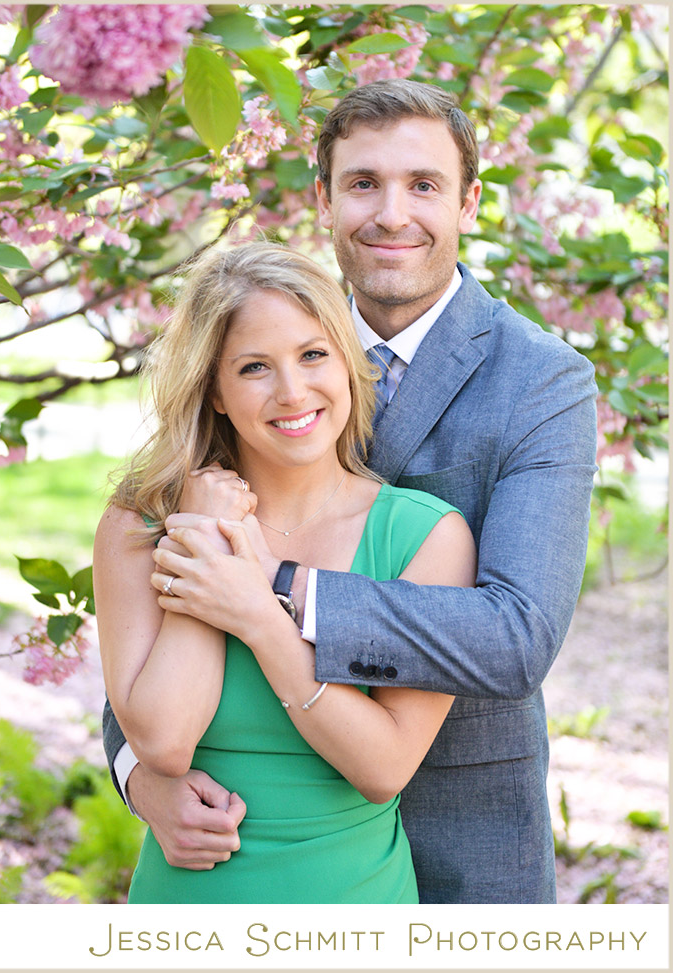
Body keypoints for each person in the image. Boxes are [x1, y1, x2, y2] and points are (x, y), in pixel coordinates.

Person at [102, 79, 598, 903]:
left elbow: (516, 636)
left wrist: (268, 585)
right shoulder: (273, 344)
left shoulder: (542, 382)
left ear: (470, 200)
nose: (392, 214)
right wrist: (139, 775)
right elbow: (152, 599)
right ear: (323, 197)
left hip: (461, 836)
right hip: (232, 838)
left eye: (425, 185)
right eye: (363, 183)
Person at [96, 241, 476, 902]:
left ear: (346, 361)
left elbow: (384, 766)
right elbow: (161, 741)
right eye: (253, 368)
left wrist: (254, 611)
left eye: (312, 354)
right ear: (213, 389)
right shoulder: (140, 524)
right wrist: (206, 541)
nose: (293, 391)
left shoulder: (426, 535)